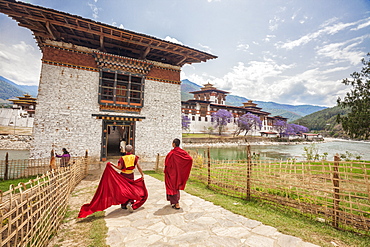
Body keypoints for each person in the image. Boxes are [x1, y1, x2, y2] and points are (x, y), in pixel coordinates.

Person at [110, 144, 144, 211]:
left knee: (124, 189)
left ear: (125, 150)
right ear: (132, 150)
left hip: (123, 175)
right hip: (131, 174)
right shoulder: (135, 157)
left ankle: (124, 204)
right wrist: (142, 174)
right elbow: (138, 167)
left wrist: (112, 164)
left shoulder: (122, 158)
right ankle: (130, 202)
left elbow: (119, 167)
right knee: (131, 188)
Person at [164, 138, 193, 210]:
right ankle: (175, 203)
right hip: (178, 173)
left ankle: (176, 204)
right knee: (176, 187)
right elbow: (189, 159)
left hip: (171, 174)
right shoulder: (182, 152)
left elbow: (167, 164)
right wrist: (181, 168)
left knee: (172, 187)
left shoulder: (172, 153)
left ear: (174, 144)